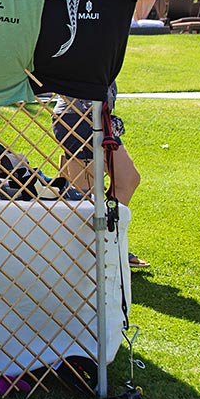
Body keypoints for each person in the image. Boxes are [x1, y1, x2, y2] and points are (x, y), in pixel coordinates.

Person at [52, 81, 147, 267]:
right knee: (86, 196)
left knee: (127, 179)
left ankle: (108, 242)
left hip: (97, 116)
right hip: (77, 117)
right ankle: (97, 250)